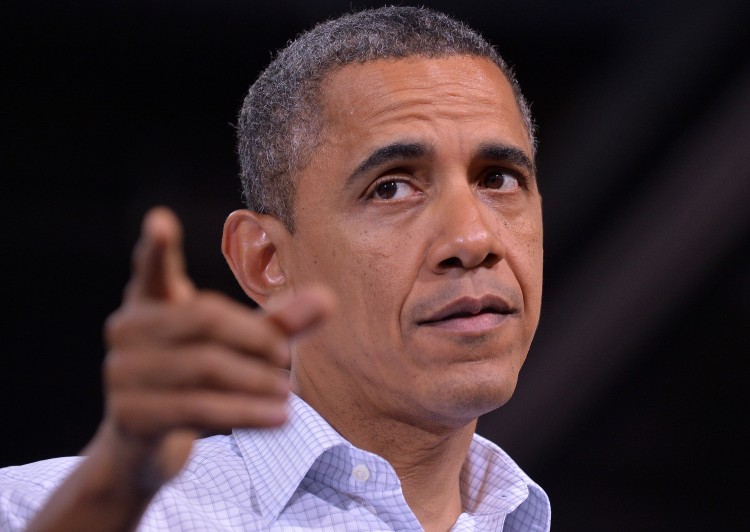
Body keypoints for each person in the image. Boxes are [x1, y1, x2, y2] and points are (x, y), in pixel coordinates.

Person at [0, 6, 549, 531]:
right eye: (392, 188)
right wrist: (113, 489)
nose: (472, 239)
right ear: (266, 262)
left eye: (499, 178)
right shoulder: (34, 509)